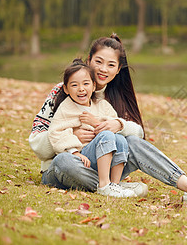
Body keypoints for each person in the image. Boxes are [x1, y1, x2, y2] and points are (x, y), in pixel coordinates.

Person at [29, 33, 187, 210]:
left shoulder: (116, 97)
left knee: (132, 141)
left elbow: (137, 135)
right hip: (66, 166)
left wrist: (119, 125)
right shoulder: (64, 91)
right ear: (89, 60)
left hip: (103, 165)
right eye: (98, 62)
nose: (103, 69)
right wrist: (72, 137)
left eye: (111, 65)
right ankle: (115, 187)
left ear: (118, 70)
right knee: (64, 161)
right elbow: (37, 143)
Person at [49, 59, 135, 198]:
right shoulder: (66, 108)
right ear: (66, 89)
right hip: (81, 158)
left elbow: (114, 125)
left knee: (118, 138)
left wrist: (96, 124)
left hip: (103, 159)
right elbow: (56, 132)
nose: (81, 89)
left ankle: (114, 185)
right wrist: (75, 152)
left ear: (94, 86)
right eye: (74, 85)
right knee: (64, 160)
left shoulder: (102, 105)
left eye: (86, 84)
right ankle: (103, 185)